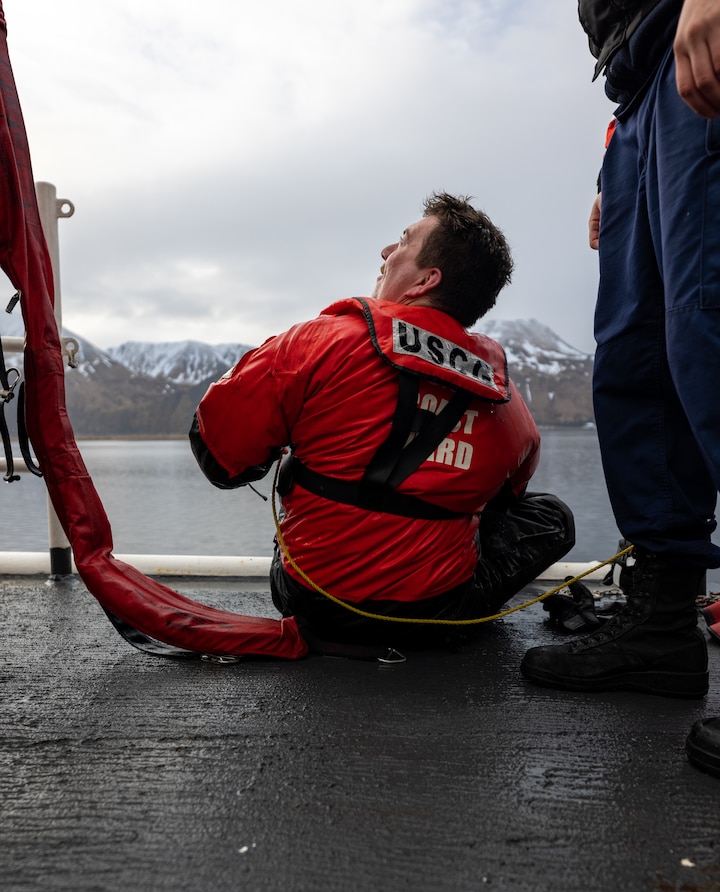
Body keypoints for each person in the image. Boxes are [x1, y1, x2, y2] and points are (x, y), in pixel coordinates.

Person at [189, 192, 574, 656]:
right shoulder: (505, 399)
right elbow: (504, 503)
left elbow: (221, 462)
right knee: (553, 517)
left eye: (403, 242)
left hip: (314, 602)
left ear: (425, 281)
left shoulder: (316, 343)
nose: (386, 252)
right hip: (438, 614)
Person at [521, 0, 720, 708]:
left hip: (694, 37)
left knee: (708, 325)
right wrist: (623, 144)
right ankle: (662, 626)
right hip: (640, 88)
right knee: (639, 361)